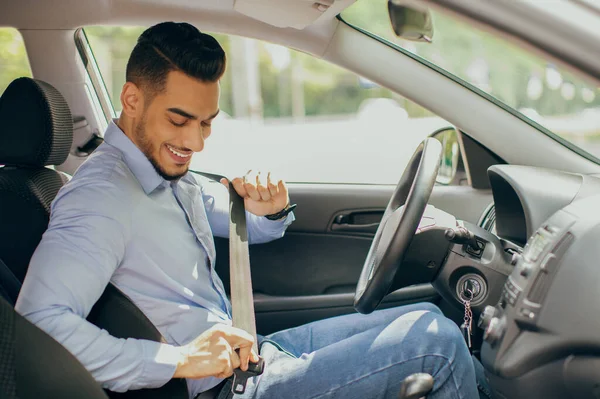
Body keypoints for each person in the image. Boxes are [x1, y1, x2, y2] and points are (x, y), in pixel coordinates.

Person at [15, 22, 480, 399]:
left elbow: (243, 226)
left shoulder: (166, 173)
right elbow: (39, 325)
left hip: (247, 357)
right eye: (179, 120)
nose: (195, 142)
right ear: (132, 99)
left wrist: (271, 211)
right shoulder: (99, 198)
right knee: (434, 346)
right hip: (216, 389)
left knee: (426, 314)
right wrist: (180, 361)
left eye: (206, 124)